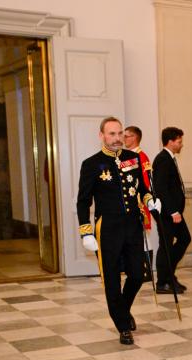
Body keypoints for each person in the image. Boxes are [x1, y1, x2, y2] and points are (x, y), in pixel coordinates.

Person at [77, 117, 161, 345]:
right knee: (112, 279)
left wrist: (150, 200)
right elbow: (83, 202)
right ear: (102, 136)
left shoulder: (132, 158)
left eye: (120, 133)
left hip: (133, 225)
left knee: (137, 274)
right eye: (111, 134)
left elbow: (142, 188)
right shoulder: (91, 164)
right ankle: (123, 326)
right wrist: (86, 232)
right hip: (108, 229)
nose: (117, 138)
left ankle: (122, 309)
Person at [152, 126, 191, 294]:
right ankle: (163, 282)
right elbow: (161, 188)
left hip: (174, 212)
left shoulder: (169, 158)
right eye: (179, 142)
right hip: (168, 213)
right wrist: (173, 211)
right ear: (170, 141)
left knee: (184, 239)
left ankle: (169, 274)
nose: (181, 145)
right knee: (166, 245)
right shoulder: (162, 159)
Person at [123, 125, 154, 282]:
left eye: (126, 136)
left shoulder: (141, 156)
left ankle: (146, 271)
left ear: (134, 138)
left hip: (139, 203)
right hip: (130, 203)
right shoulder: (127, 156)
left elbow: (145, 182)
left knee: (144, 237)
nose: (123, 139)